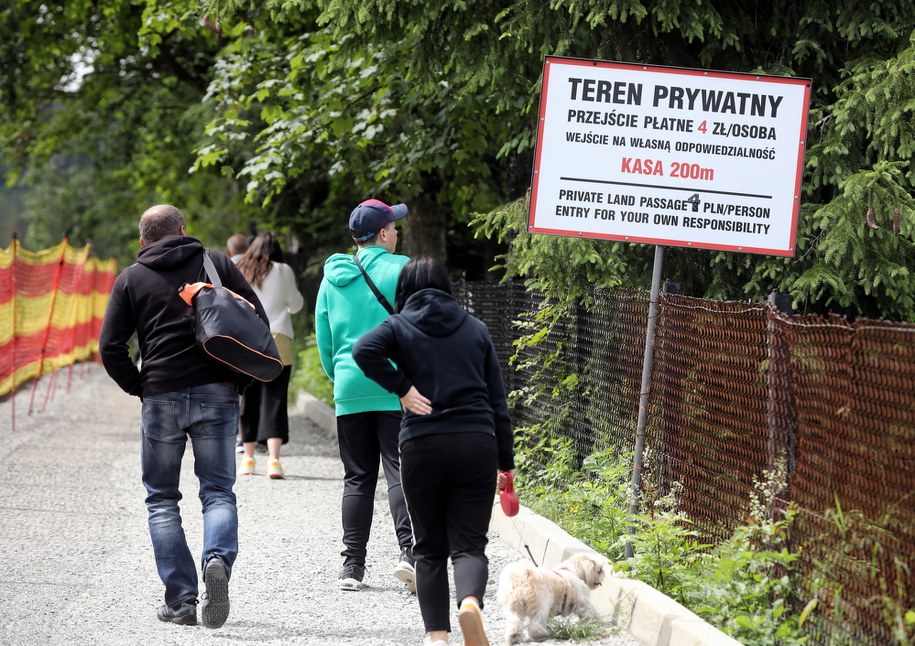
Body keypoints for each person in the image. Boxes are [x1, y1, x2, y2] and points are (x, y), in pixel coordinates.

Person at [99, 204, 269, 629]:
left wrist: (141, 387)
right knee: (217, 491)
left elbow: (109, 348)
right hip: (217, 393)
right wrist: (240, 384)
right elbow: (256, 325)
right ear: (183, 229)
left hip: (161, 394)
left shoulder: (131, 279)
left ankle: (181, 601)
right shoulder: (217, 263)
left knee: (161, 498)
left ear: (143, 240)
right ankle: (217, 559)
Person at [353, 256, 516, 646]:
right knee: (470, 544)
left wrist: (403, 388)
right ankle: (471, 605)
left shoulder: (398, 325)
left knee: (428, 548)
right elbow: (498, 402)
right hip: (476, 442)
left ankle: (437, 637)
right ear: (446, 287)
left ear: (405, 289)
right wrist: (506, 466)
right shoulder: (475, 329)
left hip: (422, 444)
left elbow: (363, 350)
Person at [315, 198, 416, 593]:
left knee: (357, 477)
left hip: (348, 384)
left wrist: (340, 377)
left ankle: (352, 567)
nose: (397, 232)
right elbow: (417, 326)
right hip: (394, 385)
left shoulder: (331, 276)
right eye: (394, 226)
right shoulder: (403, 268)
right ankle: (409, 553)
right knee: (399, 470)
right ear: (383, 233)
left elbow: (324, 338)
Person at [236, 231, 304, 479]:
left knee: (249, 397)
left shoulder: (240, 267)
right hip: (279, 339)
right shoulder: (283, 270)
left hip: (247, 340)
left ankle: (248, 459)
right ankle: (274, 461)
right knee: (275, 398)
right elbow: (295, 304)